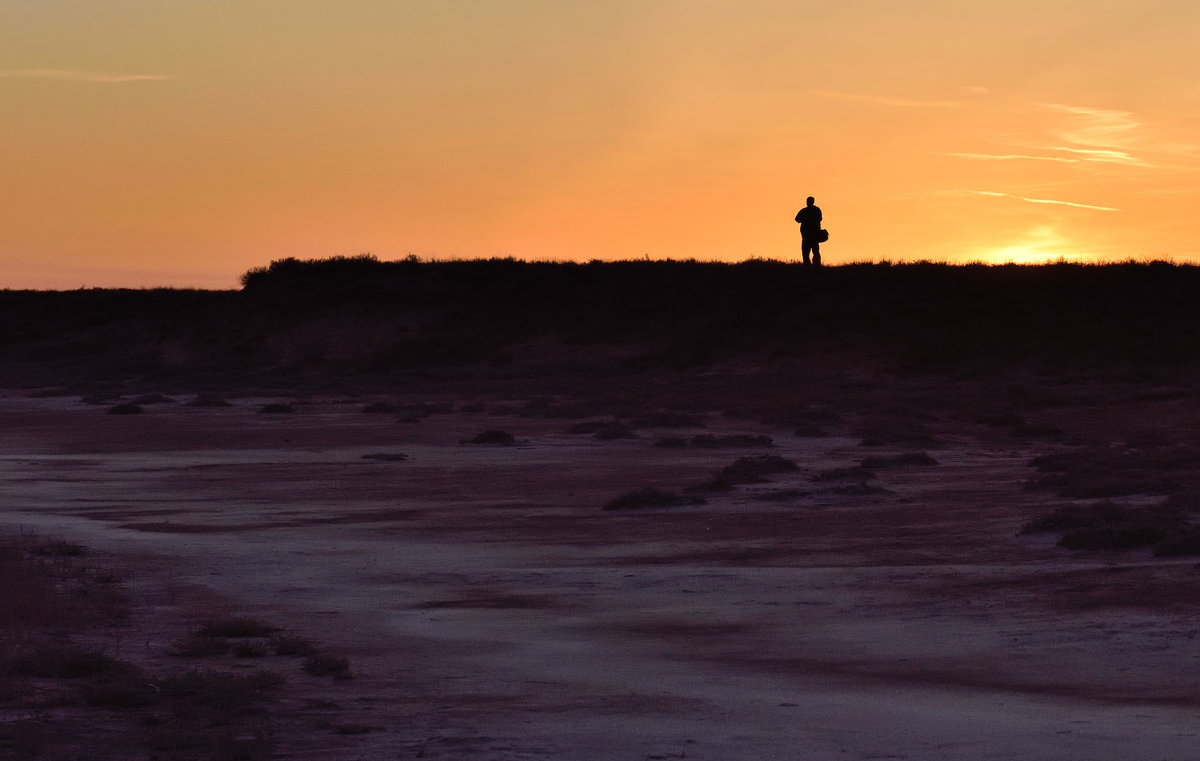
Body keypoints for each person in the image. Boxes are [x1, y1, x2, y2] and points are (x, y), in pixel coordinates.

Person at [794, 196, 823, 266]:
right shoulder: (817, 210)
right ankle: (815, 265)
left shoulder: (804, 210)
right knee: (814, 250)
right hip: (812, 234)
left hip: (807, 234)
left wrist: (805, 220)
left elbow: (797, 219)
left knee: (807, 251)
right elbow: (820, 219)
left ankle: (808, 266)